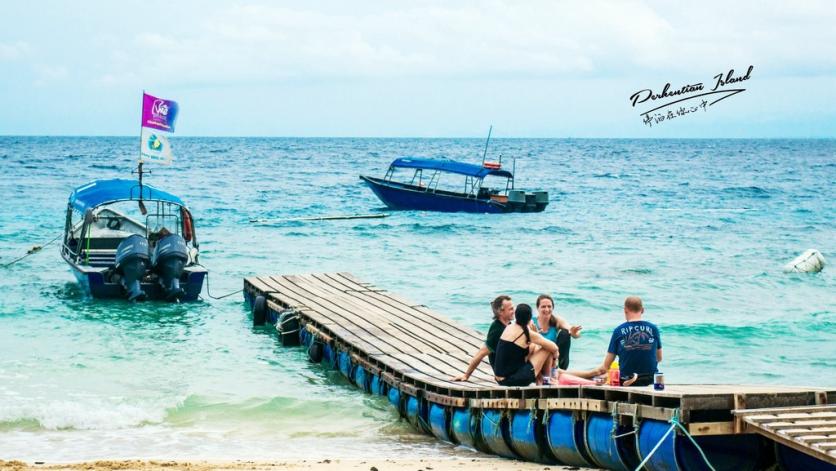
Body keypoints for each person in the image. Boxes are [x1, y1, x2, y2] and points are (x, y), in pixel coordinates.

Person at [597, 296, 662, 387]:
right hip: (651, 379)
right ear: (642, 310)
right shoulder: (654, 329)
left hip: (627, 381)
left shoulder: (618, 331)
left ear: (625, 310)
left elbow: (606, 365)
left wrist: (597, 373)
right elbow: (659, 358)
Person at [452, 295, 515, 381]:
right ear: (501, 312)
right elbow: (481, 353)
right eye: (511, 309)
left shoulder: (509, 325)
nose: (514, 311)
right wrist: (466, 375)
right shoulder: (497, 330)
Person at [494, 304, 558, 387]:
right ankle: (546, 382)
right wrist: (555, 359)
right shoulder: (526, 333)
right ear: (530, 318)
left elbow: (527, 347)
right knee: (547, 349)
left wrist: (534, 334)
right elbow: (554, 347)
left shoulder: (509, 326)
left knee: (533, 347)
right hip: (512, 380)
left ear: (516, 315)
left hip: (501, 379)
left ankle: (540, 380)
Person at [533, 294, 582, 371]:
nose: (547, 309)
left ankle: (561, 369)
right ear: (537, 308)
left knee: (565, 333)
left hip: (554, 360)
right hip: (537, 359)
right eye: (543, 306)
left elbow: (575, 333)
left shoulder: (556, 320)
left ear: (553, 308)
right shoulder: (532, 322)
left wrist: (573, 332)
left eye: (549, 306)